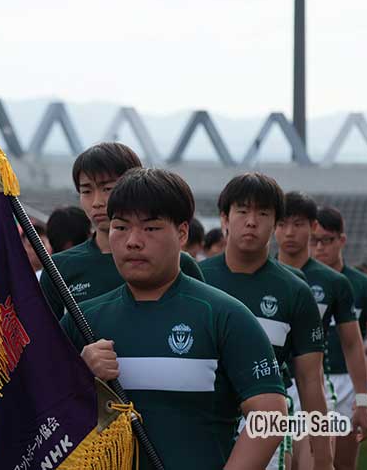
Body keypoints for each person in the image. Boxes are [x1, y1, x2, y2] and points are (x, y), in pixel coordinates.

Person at [62, 168, 286, 469]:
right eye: (121, 227)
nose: (133, 241)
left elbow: (269, 413)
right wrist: (78, 375)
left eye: (151, 228)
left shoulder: (224, 315)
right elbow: (39, 413)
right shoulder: (83, 320)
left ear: (182, 233)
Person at [199, 173, 332, 470]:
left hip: (265, 425)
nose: (251, 221)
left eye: (263, 213)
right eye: (242, 211)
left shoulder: (294, 290)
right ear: (224, 218)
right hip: (200, 426)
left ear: (275, 223)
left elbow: (311, 380)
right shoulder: (195, 279)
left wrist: (323, 458)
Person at [39, 142, 205, 319]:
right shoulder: (58, 267)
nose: (97, 202)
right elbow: (46, 337)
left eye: (108, 189)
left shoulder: (178, 263)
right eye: (86, 191)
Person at [274, 192, 367, 469]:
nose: (289, 232)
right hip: (267, 389)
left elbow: (353, 343)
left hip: (314, 387)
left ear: (313, 226)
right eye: (282, 224)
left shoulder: (334, 282)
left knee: (324, 464)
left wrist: (362, 399)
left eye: (298, 224)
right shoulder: (260, 276)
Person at [312, 206, 367, 470]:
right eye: (314, 240)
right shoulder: (297, 281)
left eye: (327, 240)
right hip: (310, 380)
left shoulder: (364, 286)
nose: (319, 248)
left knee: (343, 463)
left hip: (348, 382)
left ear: (342, 240)